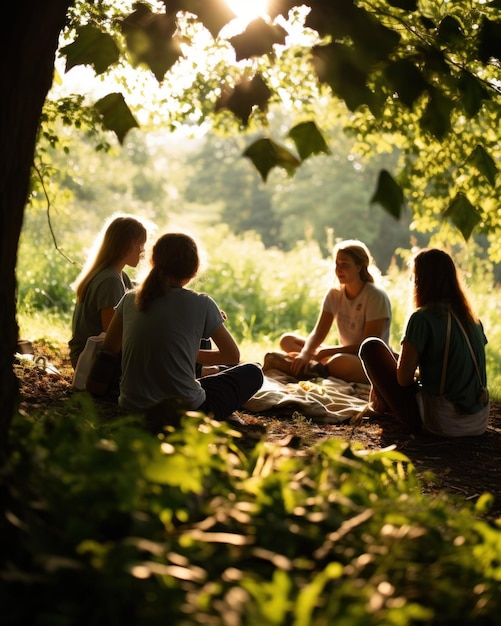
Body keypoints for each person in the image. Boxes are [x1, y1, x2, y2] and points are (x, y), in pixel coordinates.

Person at [101, 232, 264, 421]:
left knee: (201, 345)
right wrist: (185, 353)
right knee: (253, 371)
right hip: (184, 411)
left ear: (153, 261)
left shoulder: (130, 298)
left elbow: (110, 348)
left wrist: (175, 350)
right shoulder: (202, 303)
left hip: (132, 405)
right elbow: (232, 356)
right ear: (194, 269)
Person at [359, 248, 490, 436]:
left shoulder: (423, 317)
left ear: (420, 280)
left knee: (371, 347)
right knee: (397, 358)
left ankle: (382, 403)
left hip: (442, 421)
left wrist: (380, 383)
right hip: (477, 422)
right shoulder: (472, 319)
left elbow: (403, 380)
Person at [266, 239, 391, 383]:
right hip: (342, 353)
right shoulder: (334, 293)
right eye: (337, 264)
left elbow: (368, 345)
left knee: (338, 362)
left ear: (359, 267)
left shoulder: (375, 296)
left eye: (344, 264)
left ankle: (312, 368)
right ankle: (313, 366)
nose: (339, 269)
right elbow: (319, 332)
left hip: (369, 361)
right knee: (287, 340)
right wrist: (306, 354)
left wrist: (329, 351)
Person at [69, 215, 148, 368]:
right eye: (141, 244)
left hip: (98, 356)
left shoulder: (119, 275)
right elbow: (113, 338)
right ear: (128, 244)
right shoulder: (110, 281)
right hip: (92, 362)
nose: (143, 251)